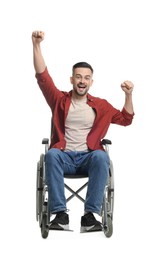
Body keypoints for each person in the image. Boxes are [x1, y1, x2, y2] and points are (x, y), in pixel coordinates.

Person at [32, 30, 134, 232]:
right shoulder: (59, 100)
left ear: (91, 82)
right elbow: (43, 77)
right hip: (64, 159)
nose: (82, 81)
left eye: (86, 78)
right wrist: (36, 45)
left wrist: (129, 95)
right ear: (72, 79)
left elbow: (126, 119)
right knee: (51, 154)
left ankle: (90, 216)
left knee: (101, 156)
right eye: (78, 77)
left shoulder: (101, 106)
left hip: (89, 160)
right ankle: (60, 215)